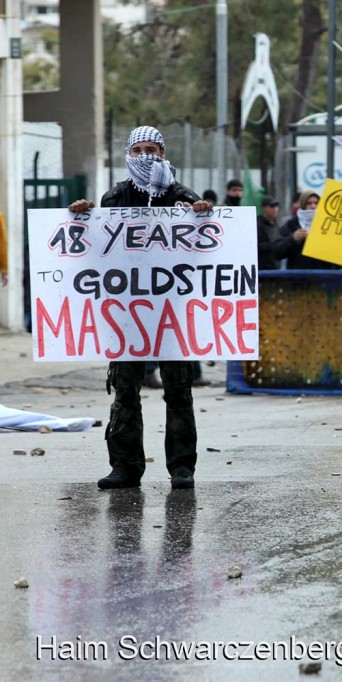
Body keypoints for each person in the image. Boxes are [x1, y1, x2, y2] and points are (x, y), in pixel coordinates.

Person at [67, 125, 213, 490]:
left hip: (171, 314)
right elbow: (99, 249)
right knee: (125, 391)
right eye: (139, 150)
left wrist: (200, 211)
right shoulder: (115, 197)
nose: (147, 155)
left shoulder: (181, 195)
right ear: (128, 155)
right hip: (128, 314)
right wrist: (83, 217)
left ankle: (182, 468)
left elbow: (205, 242)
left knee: (178, 391)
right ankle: (125, 468)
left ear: (164, 153)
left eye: (154, 149)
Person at [272, 190, 340, 269]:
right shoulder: (292, 224)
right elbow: (276, 252)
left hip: (324, 277)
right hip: (299, 278)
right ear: (303, 204)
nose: (313, 206)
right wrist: (293, 238)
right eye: (309, 203)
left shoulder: (329, 224)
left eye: (316, 203)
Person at [257, 196, 282, 270]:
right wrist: (273, 245)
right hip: (262, 270)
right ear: (264, 208)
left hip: (276, 269)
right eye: (271, 206)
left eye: (276, 206)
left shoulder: (276, 224)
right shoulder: (257, 224)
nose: (275, 209)